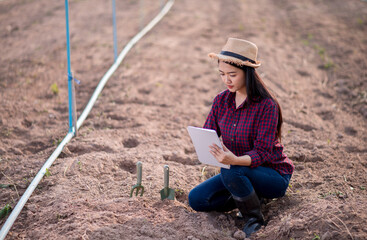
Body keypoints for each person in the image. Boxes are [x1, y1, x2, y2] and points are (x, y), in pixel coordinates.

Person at [188, 38, 294, 237]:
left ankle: (254, 219)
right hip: (237, 171)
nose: (226, 80)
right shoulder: (221, 100)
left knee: (231, 171)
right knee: (197, 199)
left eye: (232, 75)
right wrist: (206, 146)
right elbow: (209, 133)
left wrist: (234, 160)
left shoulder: (266, 106)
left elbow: (262, 153)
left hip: (272, 175)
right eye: (222, 74)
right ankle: (250, 196)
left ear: (248, 73)